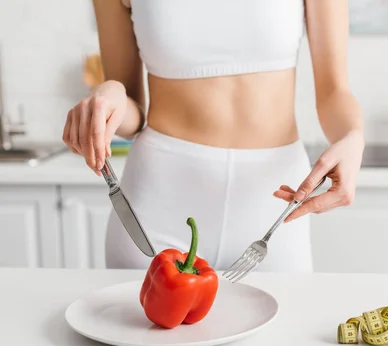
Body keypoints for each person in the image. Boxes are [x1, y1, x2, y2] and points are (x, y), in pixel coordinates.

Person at [62, 0, 364, 273]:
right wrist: (111, 94)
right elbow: (133, 114)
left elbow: (334, 93)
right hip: (157, 205)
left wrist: (353, 136)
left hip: (273, 211)